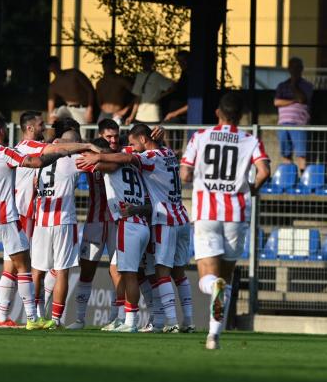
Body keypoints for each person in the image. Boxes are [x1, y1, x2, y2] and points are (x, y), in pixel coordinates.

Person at [0, 114, 69, 330]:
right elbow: (34, 162)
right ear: (1, 131)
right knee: (24, 267)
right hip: (6, 218)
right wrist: (58, 155)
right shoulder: (6, 152)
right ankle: (32, 319)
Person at [78, 124, 192, 333]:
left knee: (134, 273)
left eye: (131, 142)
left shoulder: (127, 159)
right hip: (156, 219)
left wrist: (93, 156)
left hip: (141, 222)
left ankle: (134, 321)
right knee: (148, 273)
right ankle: (160, 320)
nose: (128, 146)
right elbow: (130, 154)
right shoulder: (162, 152)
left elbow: (120, 159)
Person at [0, 111, 100, 328]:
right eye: (41, 124)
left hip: (36, 217)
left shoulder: (29, 153)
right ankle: (36, 318)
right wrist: (88, 146)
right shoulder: (44, 152)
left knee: (34, 269)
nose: (44, 128)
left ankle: (29, 316)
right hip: (35, 216)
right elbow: (66, 150)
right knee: (48, 270)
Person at [180, 92, 270, 349]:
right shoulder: (250, 140)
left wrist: (196, 177)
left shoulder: (200, 137)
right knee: (226, 281)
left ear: (218, 112)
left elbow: (185, 173)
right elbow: (264, 171)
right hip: (236, 214)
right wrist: (250, 189)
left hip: (207, 213)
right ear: (240, 116)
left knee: (208, 279)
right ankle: (213, 336)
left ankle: (213, 296)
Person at [75, 137, 151, 333]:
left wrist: (94, 157)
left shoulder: (110, 165)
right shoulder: (134, 165)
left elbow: (101, 163)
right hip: (142, 223)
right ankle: (129, 318)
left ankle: (130, 321)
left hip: (128, 225)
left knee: (130, 275)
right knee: (126, 272)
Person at [31, 128, 91, 328]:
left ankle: (36, 316)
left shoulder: (41, 158)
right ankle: (56, 320)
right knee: (62, 271)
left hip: (41, 221)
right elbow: (99, 160)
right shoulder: (73, 159)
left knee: (37, 271)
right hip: (63, 221)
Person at [273, 57, 313, 174]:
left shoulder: (307, 85)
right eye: (293, 67)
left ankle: (303, 179)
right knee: (286, 153)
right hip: (283, 124)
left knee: (301, 154)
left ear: (301, 69)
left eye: (297, 67)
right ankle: (288, 179)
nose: (295, 70)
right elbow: (277, 102)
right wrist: (293, 101)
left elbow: (302, 99)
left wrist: (294, 85)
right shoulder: (281, 85)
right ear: (289, 69)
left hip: (299, 123)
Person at [125, 51, 173, 125]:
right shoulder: (139, 76)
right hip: (139, 116)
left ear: (152, 62)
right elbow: (137, 98)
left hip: (153, 116)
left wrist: (159, 96)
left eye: (147, 60)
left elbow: (172, 87)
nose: (145, 62)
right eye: (144, 60)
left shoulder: (157, 76)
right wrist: (132, 116)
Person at [47, 56, 95, 127]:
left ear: (59, 64)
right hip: (68, 108)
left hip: (82, 108)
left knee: (83, 135)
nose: (54, 67)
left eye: (55, 64)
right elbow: (51, 103)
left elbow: (90, 89)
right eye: (51, 65)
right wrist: (50, 116)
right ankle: (52, 137)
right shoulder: (53, 85)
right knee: (52, 120)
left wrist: (90, 109)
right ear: (49, 68)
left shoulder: (74, 73)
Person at [95, 53, 133, 125]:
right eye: (106, 64)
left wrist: (124, 111)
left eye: (110, 64)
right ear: (103, 65)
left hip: (117, 115)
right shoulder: (100, 83)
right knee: (99, 135)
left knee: (116, 135)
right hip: (103, 115)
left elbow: (137, 96)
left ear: (114, 65)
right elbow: (99, 100)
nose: (108, 66)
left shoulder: (121, 80)